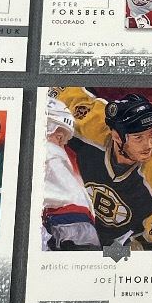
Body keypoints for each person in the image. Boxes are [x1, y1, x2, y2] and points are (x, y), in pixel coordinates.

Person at [52, 87, 152, 250]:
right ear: (117, 136)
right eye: (138, 138)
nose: (149, 145)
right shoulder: (91, 123)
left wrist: (106, 256)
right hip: (99, 222)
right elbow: (59, 91)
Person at [40, 94, 100, 249]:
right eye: (61, 139)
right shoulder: (53, 154)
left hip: (65, 222)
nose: (62, 146)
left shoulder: (47, 153)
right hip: (74, 223)